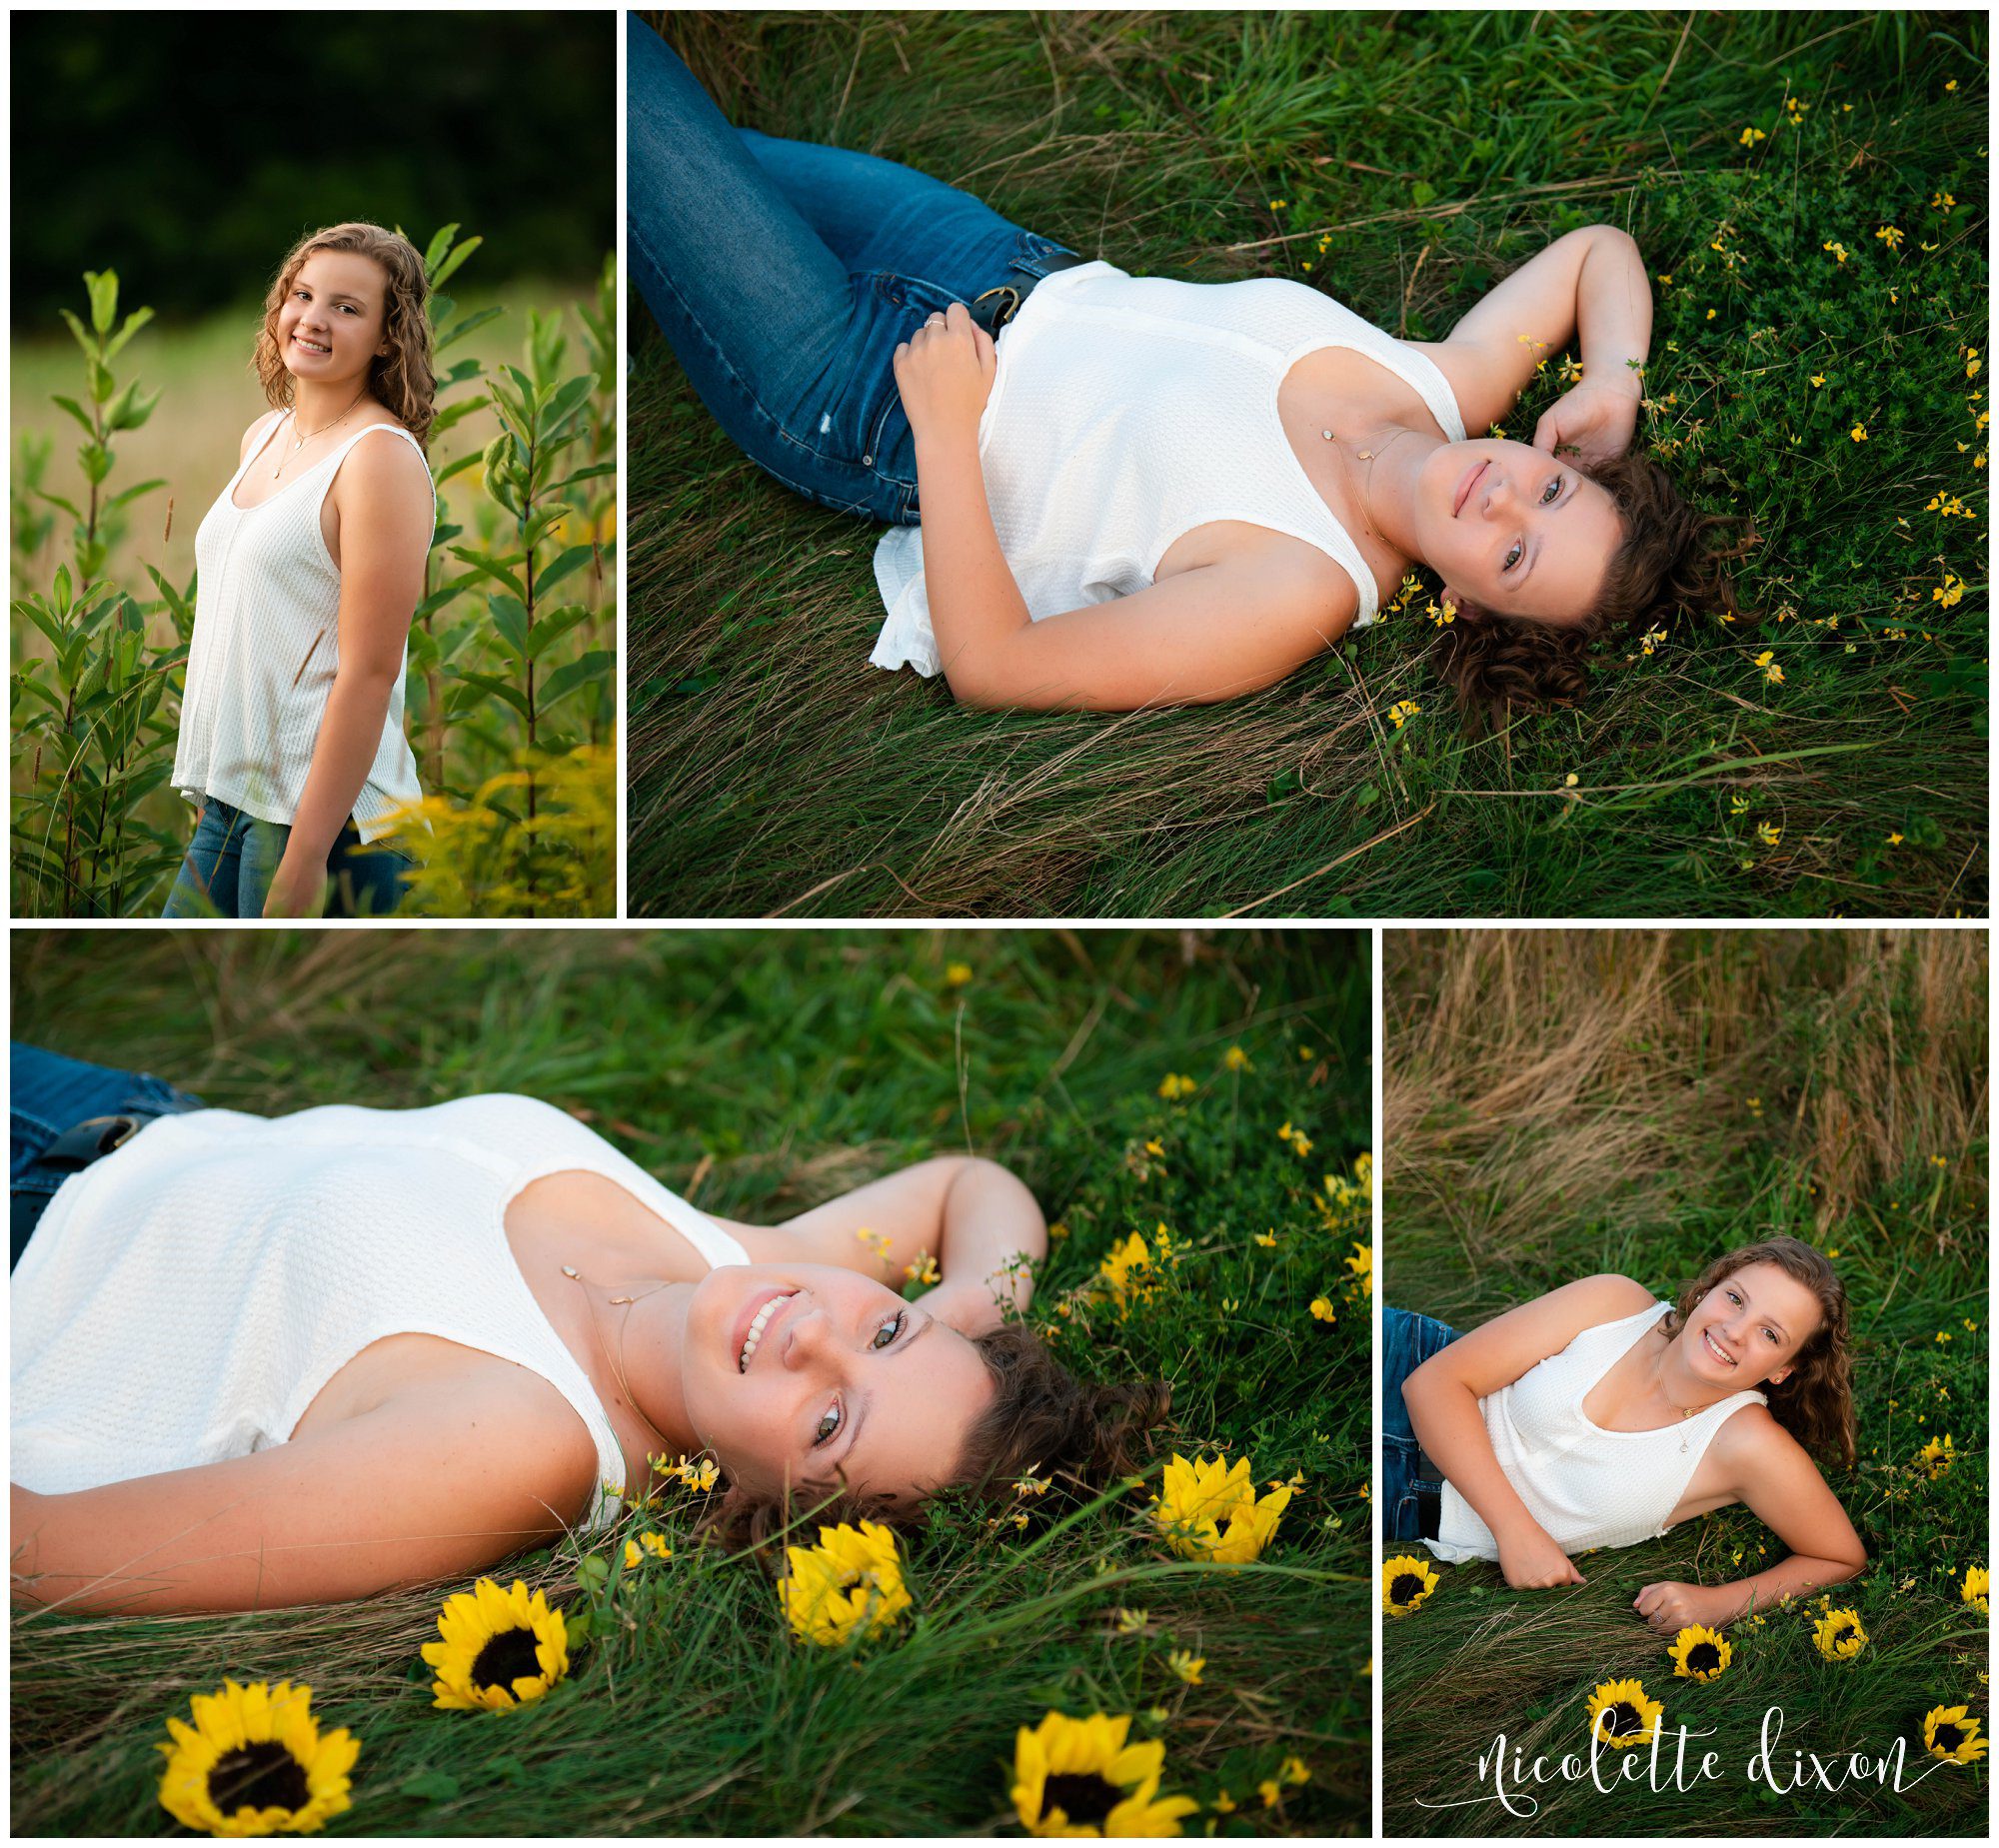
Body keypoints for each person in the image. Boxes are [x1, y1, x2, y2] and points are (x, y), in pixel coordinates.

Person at [630, 20, 1755, 726]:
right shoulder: (1444, 384)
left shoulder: (1291, 594)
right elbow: (1592, 254)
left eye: (1512, 553)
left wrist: (940, 425)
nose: (1502, 495)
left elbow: (996, 664)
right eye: (1550, 489)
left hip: (858, 391)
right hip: (982, 253)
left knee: (634, 96)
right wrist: (1612, 379)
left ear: (1464, 603)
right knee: (670, 128)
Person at [8, 1043, 1167, 1616]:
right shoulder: (740, 1266)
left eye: (827, 1419)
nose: (815, 1338)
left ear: (755, 1506)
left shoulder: (515, 1445)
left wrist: (917, 1343)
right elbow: (972, 1183)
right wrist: (977, 1307)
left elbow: (44, 1549)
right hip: (117, 1110)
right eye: (887, 1337)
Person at [1382, 1241, 1867, 1636]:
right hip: (1407, 1365)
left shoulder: (1746, 1445)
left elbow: (1839, 1556)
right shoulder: (1614, 1304)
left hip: (1410, 1500)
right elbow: (1432, 1384)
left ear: (1784, 1370)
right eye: (1736, 1299)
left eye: (1770, 1334)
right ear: (1708, 1290)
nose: (1734, 1330)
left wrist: (1716, 1604)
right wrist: (1517, 1532)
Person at [163, 222, 436, 919]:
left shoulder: (379, 458)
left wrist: (308, 852)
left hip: (324, 820)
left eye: (346, 307)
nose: (312, 319)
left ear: (386, 336)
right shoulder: (265, 435)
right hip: (234, 804)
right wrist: (213, 792)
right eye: (302, 295)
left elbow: (369, 673)